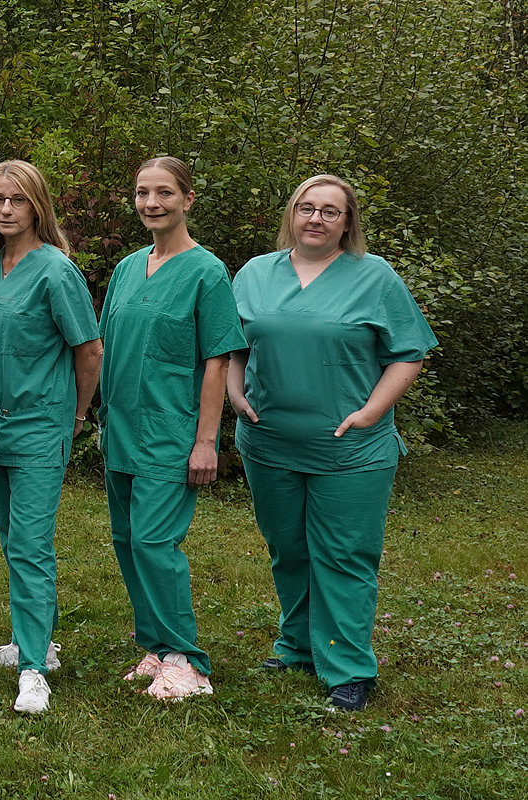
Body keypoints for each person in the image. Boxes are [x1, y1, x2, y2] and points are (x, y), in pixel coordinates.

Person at [230, 174, 435, 712]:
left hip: (350, 449)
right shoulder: (255, 274)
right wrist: (234, 393)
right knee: (289, 550)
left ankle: (347, 667)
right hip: (268, 442)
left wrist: (371, 412)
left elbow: (408, 353)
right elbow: (234, 346)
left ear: (347, 222)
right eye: (306, 207)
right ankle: (297, 645)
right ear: (291, 214)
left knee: (344, 555)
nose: (316, 218)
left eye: (329, 211)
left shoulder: (375, 278)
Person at [96, 157, 245, 704]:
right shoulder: (128, 268)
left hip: (170, 433)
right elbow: (109, 349)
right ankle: (156, 648)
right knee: (128, 542)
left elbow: (217, 361)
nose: (151, 203)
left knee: (156, 543)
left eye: (163, 192)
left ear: (187, 199)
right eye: (141, 193)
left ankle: (188, 661)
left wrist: (205, 441)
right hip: (122, 430)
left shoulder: (207, 272)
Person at [0, 160, 100, 706]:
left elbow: (88, 350)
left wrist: (77, 414)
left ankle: (35, 668)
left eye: (16, 200)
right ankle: (27, 636)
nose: (5, 210)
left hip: (42, 424)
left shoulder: (55, 271)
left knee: (31, 545)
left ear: (36, 205)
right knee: (9, 537)